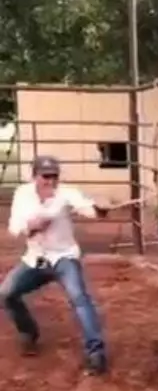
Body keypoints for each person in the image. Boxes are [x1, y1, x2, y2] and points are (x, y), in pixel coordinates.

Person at [2, 155, 111, 374]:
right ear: (34, 176)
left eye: (55, 176)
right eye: (46, 176)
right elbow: (14, 227)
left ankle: (96, 353)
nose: (51, 181)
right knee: (6, 294)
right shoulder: (23, 194)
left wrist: (100, 209)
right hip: (35, 258)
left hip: (64, 257)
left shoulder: (66, 193)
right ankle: (28, 333)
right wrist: (30, 226)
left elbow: (86, 208)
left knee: (79, 298)